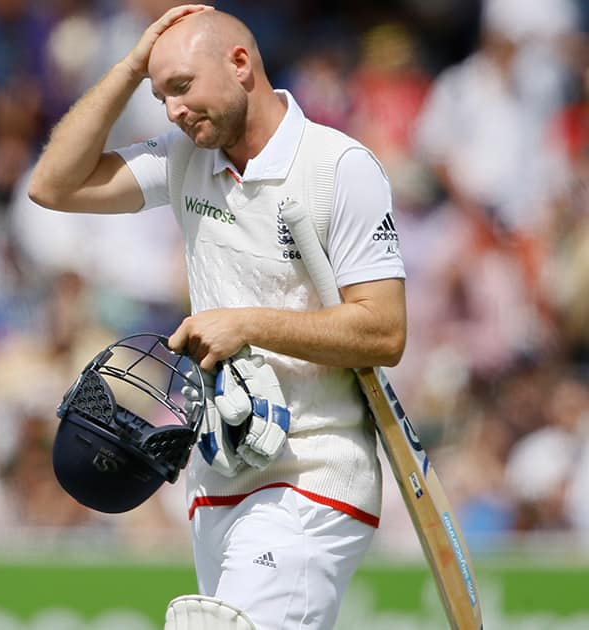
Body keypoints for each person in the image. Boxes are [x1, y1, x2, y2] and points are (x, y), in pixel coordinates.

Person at [28, 5, 406, 629]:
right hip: (218, 475)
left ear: (240, 64)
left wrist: (247, 323)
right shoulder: (184, 158)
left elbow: (384, 331)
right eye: (160, 96)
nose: (172, 109)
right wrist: (129, 66)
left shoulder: (337, 167)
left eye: (181, 86)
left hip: (315, 475)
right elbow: (53, 185)